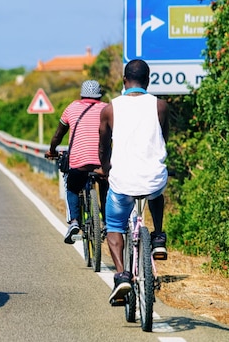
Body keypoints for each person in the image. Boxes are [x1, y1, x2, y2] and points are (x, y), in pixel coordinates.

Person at [98, 59, 169, 305]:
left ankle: (121, 275)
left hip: (122, 181)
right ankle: (158, 237)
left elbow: (103, 146)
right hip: (153, 179)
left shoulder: (110, 109)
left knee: (115, 225)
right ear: (148, 81)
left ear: (124, 81)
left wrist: (107, 170)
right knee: (157, 191)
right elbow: (163, 140)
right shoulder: (160, 106)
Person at [45, 80, 109, 244]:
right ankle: (107, 221)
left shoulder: (72, 107)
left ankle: (74, 221)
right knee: (105, 185)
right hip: (102, 162)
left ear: (81, 94)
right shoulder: (107, 109)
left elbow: (58, 135)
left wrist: (52, 150)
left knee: (72, 187)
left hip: (79, 162)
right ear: (99, 95)